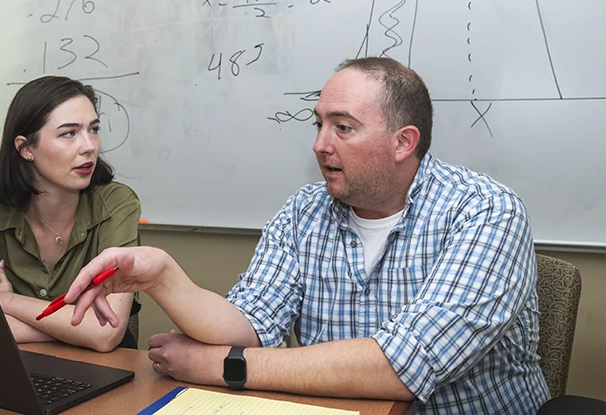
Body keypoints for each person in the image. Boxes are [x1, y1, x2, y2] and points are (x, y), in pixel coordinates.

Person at [65, 57, 550, 412]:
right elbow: (249, 323)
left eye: (343, 127)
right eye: (319, 124)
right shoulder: (305, 211)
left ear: (403, 142)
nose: (320, 145)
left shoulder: (485, 211)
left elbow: (402, 366)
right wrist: (162, 277)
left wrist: (224, 367)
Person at [0, 75, 141, 352]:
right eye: (69, 133)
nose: (89, 145)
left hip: (99, 372)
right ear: (26, 148)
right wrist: (74, 329)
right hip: (8, 369)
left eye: (93, 129)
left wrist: (3, 303)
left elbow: (105, 333)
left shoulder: (118, 203)